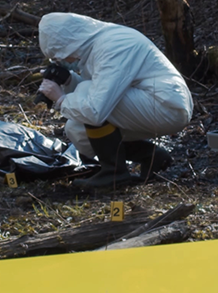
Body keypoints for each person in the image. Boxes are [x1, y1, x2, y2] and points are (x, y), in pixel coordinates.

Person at [37, 12, 194, 188]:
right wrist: (68, 80)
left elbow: (96, 109)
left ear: (68, 42)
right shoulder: (98, 44)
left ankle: (114, 174)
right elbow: (103, 91)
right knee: (76, 128)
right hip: (152, 103)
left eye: (58, 54)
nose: (61, 60)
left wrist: (60, 99)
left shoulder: (114, 45)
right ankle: (150, 156)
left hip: (166, 106)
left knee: (86, 98)